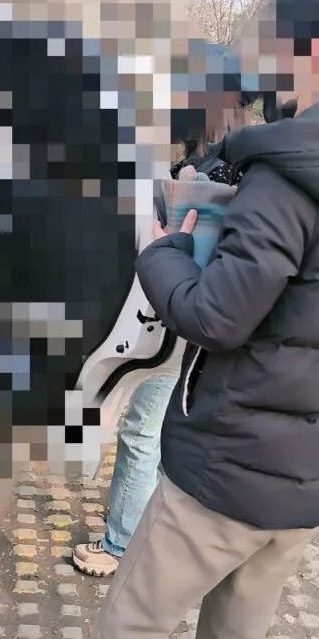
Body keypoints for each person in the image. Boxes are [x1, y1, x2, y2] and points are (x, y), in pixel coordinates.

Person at [61, 0, 319, 639]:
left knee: (136, 611)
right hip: (318, 470)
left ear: (316, 47)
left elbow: (216, 317)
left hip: (233, 457)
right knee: (245, 613)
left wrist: (162, 252)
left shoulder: (288, 177)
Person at [73, 106, 244, 578]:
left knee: (142, 432)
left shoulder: (209, 174)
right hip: (198, 325)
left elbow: (183, 253)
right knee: (161, 433)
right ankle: (144, 528)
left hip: (173, 323)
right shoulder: (238, 169)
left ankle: (122, 543)